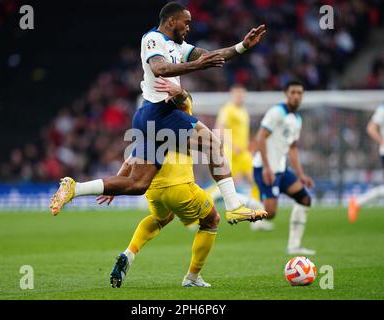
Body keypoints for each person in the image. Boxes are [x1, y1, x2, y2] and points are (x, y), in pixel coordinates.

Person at [50, 2, 267, 224]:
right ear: (171, 21)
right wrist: (197, 66)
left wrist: (242, 46)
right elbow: (159, 68)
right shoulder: (153, 39)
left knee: (138, 184)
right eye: (186, 23)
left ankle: (74, 188)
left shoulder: (177, 46)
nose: (189, 28)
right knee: (213, 144)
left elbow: (210, 56)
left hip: (151, 116)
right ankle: (234, 206)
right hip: (160, 112)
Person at [96, 95, 263, 288]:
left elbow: (129, 160)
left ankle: (129, 252)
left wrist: (113, 187)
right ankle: (192, 277)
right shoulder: (185, 128)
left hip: (153, 189)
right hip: (178, 187)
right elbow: (205, 139)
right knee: (211, 220)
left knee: (162, 218)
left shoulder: (153, 128)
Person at [253, 80, 316, 255]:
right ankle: (240, 203)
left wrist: (301, 175)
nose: (296, 96)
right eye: (293, 92)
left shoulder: (297, 119)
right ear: (286, 94)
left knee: (305, 199)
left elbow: (293, 148)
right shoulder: (276, 112)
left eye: (299, 93)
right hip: (264, 169)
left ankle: (294, 246)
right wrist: (266, 167)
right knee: (270, 213)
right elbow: (260, 138)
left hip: (281, 169)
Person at [211, 84, 271, 231]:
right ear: (232, 95)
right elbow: (219, 128)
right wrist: (230, 144)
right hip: (230, 152)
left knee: (256, 181)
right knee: (222, 186)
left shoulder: (243, 111)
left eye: (242, 94)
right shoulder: (227, 109)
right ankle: (199, 212)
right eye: (238, 94)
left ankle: (258, 220)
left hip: (243, 153)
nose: (240, 97)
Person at [348, 104, 384, 223]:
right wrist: (382, 142)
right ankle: (357, 202)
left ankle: (357, 202)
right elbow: (371, 128)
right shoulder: (382, 109)